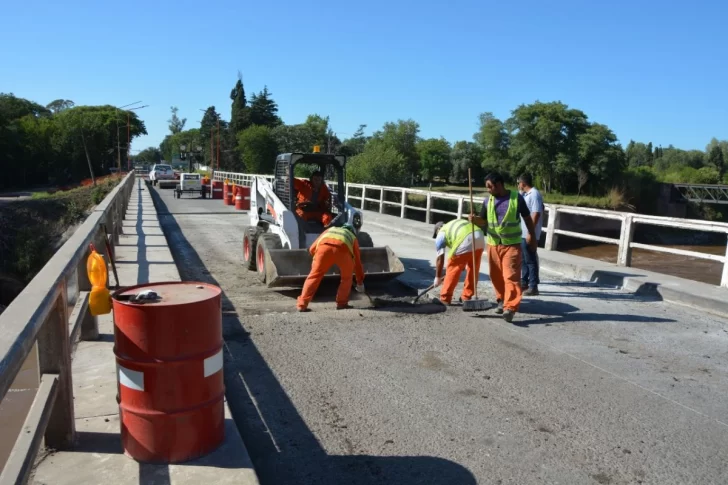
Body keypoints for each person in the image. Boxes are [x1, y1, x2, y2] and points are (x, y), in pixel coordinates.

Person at [469, 173, 538, 322]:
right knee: (496, 276)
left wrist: (532, 236)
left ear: (499, 184)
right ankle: (501, 300)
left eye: (490, 186)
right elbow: (483, 221)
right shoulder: (488, 201)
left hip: (512, 245)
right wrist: (475, 220)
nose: (488, 189)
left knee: (511, 276)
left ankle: (510, 308)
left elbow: (527, 218)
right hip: (493, 244)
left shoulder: (516, 198)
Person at [297, 223, 365, 312]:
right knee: (347, 278)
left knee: (314, 276)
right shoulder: (352, 236)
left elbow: (312, 249)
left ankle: (302, 305)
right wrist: (360, 282)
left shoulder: (329, 230)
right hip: (343, 251)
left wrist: (320, 261)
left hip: (323, 251)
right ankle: (342, 303)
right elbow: (357, 262)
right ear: (352, 231)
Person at [431, 218, 486, 305]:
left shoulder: (441, 233)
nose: (436, 236)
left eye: (436, 234)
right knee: (473, 268)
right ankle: (466, 297)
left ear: (438, 229)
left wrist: (437, 278)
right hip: (479, 236)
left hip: (465, 239)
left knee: (453, 268)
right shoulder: (453, 224)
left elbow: (439, 258)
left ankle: (445, 298)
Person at [517, 173, 544, 296]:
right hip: (523, 232)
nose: (518, 185)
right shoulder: (525, 194)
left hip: (529, 233)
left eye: (519, 183)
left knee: (531, 260)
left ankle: (533, 286)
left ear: (523, 183)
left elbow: (536, 214)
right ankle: (524, 281)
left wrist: (530, 233)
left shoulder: (534, 194)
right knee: (524, 259)